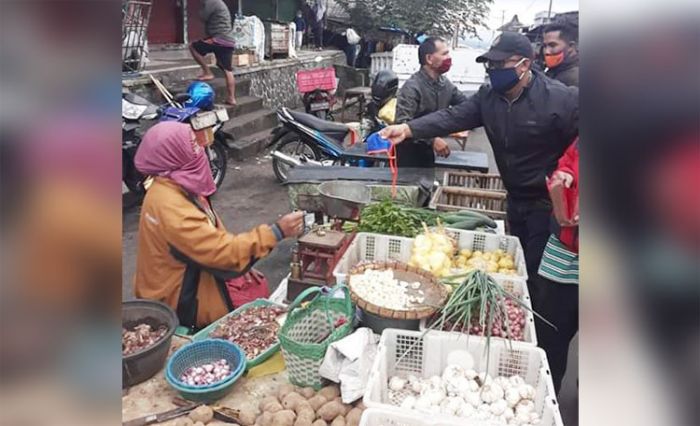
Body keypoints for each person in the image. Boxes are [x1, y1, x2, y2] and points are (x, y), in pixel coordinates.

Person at [379, 32, 578, 302]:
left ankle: (541, 332)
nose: (494, 71)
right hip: (515, 199)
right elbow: (452, 117)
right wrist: (409, 128)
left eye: (501, 64)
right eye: (490, 65)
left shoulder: (559, 99)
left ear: (525, 64)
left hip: (547, 204)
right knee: (520, 266)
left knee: (539, 277)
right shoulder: (489, 97)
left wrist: (569, 175)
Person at [133, 122, 304, 329]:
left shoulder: (171, 184)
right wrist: (276, 232)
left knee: (255, 286)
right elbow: (223, 256)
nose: (200, 153)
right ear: (173, 156)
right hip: (179, 305)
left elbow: (209, 226)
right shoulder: (170, 206)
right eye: (192, 148)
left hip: (192, 277)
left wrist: (244, 259)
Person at [536, 138, 579, 394]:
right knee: (550, 336)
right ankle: (543, 400)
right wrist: (565, 174)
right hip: (565, 255)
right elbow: (570, 160)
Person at [394, 36, 468, 168]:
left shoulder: (445, 85)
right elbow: (401, 123)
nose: (448, 58)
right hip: (408, 157)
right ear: (429, 59)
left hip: (429, 157)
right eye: (444, 53)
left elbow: (466, 105)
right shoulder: (412, 87)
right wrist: (432, 140)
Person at [189, 0, 238, 105]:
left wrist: (201, 6)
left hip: (218, 39)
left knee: (193, 47)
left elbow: (203, 16)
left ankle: (207, 72)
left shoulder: (211, 2)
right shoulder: (219, 3)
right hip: (228, 41)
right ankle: (232, 98)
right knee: (227, 70)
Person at [542, 22, 579, 87]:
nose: (546, 52)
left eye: (552, 45)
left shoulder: (574, 79)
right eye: (545, 46)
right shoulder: (555, 69)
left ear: (571, 46)